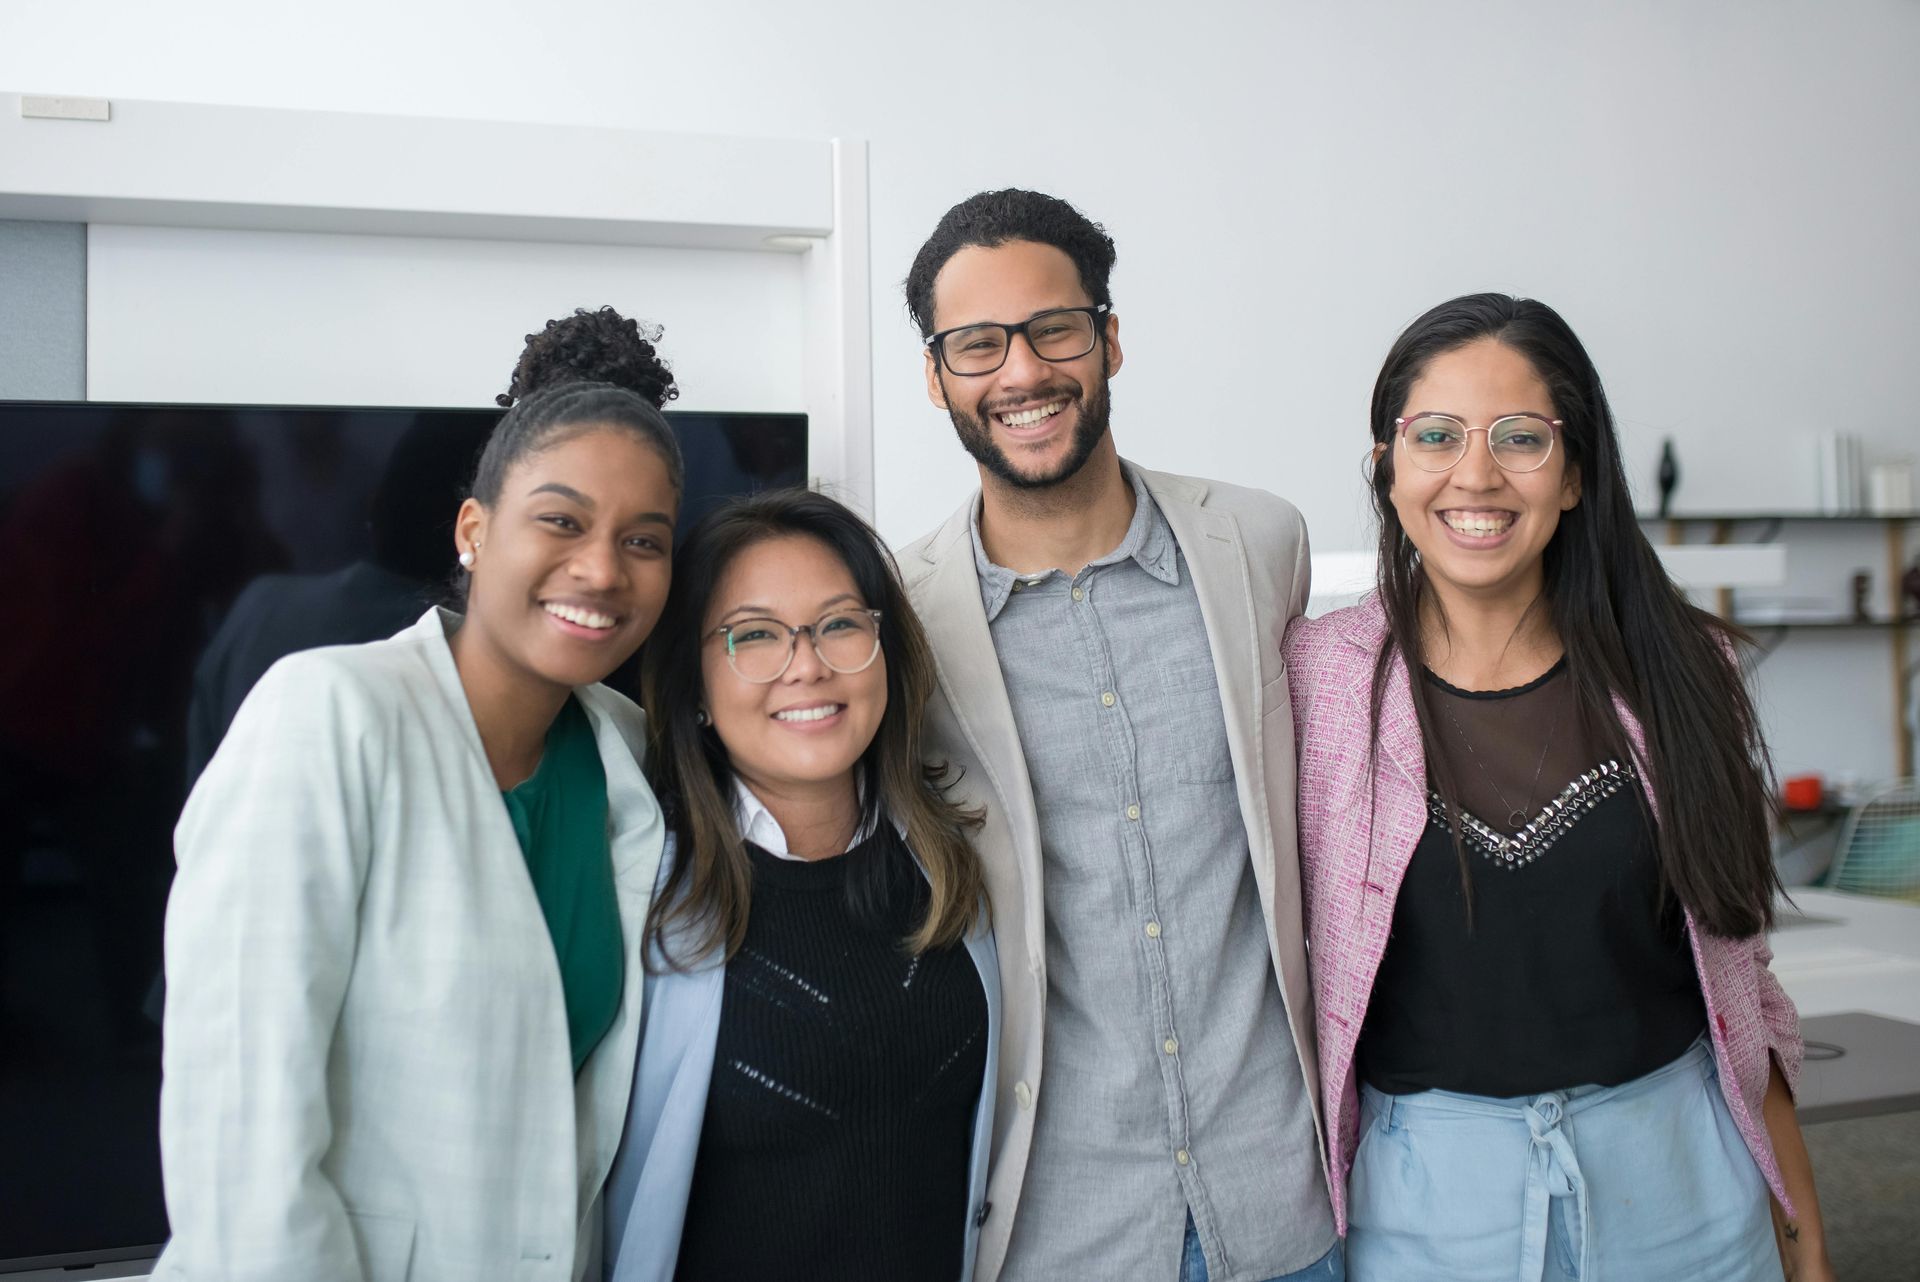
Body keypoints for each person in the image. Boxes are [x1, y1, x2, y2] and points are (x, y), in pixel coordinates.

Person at [1285, 293, 1831, 1281]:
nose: (1477, 474)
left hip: (1686, 1180)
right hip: (1423, 1206)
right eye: (1437, 434)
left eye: (1522, 438)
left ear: (1576, 473)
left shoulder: (1680, 670)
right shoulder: (1316, 683)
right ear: (1387, 466)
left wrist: (1809, 1243)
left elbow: (1745, 982)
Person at [896, 189, 1341, 1282]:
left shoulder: (1260, 543)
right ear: (936, 375)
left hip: (1288, 1205)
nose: (1022, 372)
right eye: (976, 345)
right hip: (1063, 1230)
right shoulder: (904, 619)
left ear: (1109, 337)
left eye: (1054, 328)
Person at [155, 381, 682, 1282]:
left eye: (643, 541)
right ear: (473, 532)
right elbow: (241, 1123)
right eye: (561, 522)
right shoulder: (328, 712)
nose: (603, 570)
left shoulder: (630, 754)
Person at [603, 488, 999, 1281]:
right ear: (695, 687)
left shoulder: (963, 864)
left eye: (841, 624)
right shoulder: (640, 900)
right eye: (755, 636)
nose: (809, 665)